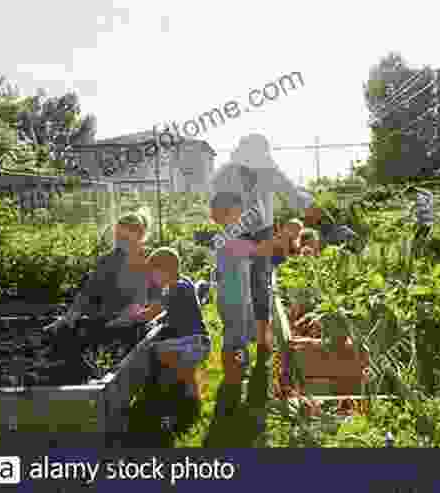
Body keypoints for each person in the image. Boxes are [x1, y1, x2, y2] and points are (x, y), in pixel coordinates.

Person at [204, 134, 320, 447]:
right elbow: (216, 209)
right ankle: (236, 368)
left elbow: (289, 190)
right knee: (237, 291)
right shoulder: (227, 174)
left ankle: (262, 342)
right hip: (237, 233)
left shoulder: (268, 169)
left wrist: (307, 205)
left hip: (261, 231)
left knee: (261, 286)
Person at [43, 208, 153, 382]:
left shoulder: (148, 259)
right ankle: (72, 378)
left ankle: (111, 377)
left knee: (126, 343)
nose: (119, 241)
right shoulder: (107, 261)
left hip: (136, 322)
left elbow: (149, 298)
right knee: (64, 334)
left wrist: (131, 315)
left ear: (139, 236)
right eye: (118, 237)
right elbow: (88, 292)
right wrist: (70, 316)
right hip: (107, 320)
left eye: (124, 237)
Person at [142, 247, 211, 442]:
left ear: (164, 271)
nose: (152, 278)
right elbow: (170, 311)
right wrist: (159, 318)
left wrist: (129, 318)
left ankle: (170, 408)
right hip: (200, 341)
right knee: (177, 362)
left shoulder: (174, 289)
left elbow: (151, 312)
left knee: (156, 350)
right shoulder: (185, 282)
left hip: (193, 344)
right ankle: (191, 401)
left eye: (153, 273)